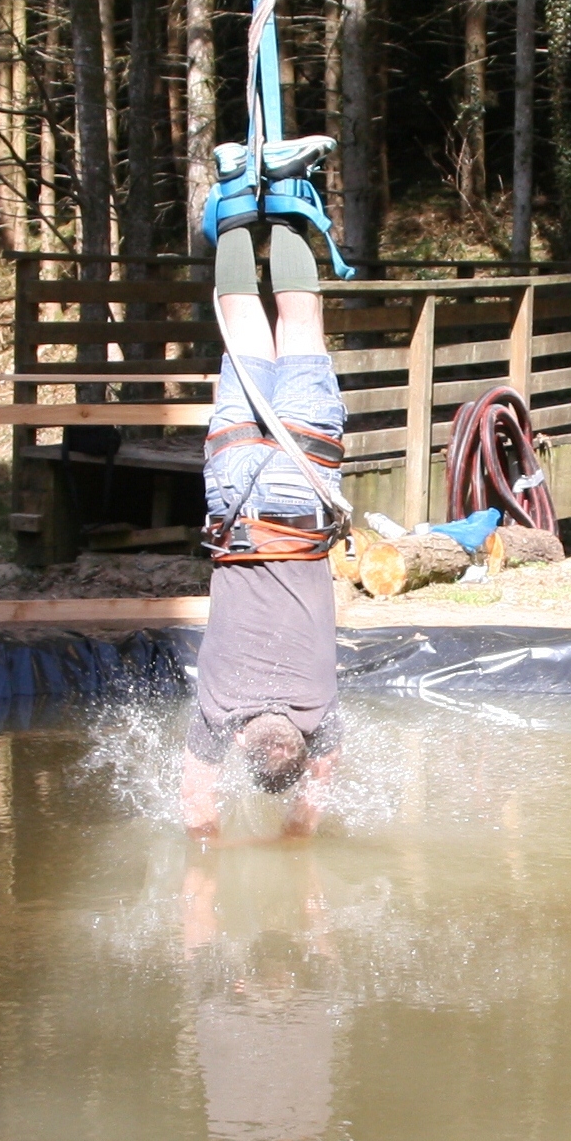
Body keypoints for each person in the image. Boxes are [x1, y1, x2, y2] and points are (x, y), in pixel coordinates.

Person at [181, 221, 345, 842]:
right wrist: (209, 853)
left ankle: (287, 212)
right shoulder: (219, 710)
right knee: (246, 340)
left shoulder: (320, 714)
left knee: (299, 327)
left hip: (303, 492)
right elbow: (196, 801)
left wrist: (298, 834)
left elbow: (322, 775)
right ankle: (231, 221)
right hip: (235, 499)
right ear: (240, 743)